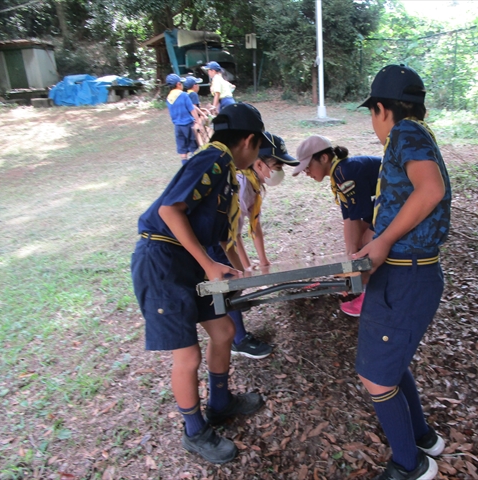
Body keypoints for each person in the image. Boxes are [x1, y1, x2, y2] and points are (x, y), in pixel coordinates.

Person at [131, 102, 269, 465]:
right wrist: (209, 264)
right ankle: (194, 432)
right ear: (249, 141)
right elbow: (168, 210)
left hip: (190, 261)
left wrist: (231, 270)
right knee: (187, 354)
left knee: (223, 331)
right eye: (259, 149)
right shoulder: (213, 159)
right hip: (162, 262)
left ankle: (221, 403)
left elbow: (213, 233)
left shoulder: (224, 169)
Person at [354, 64, 452, 480]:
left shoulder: (404, 133)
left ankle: (409, 467)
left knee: (375, 378)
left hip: (407, 275)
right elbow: (406, 199)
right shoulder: (418, 134)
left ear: (381, 109)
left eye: (371, 113)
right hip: (403, 270)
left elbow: (431, 189)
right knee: (387, 367)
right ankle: (423, 438)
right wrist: (377, 241)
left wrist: (382, 241)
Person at [292, 135, 381, 317]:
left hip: (400, 197)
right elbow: (348, 219)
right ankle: (361, 288)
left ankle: (369, 296)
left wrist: (353, 262)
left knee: (368, 241)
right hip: (383, 201)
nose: (306, 172)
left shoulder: (346, 174)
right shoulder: (339, 174)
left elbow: (356, 219)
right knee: (362, 243)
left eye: (307, 166)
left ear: (324, 158)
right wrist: (349, 258)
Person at [237, 132, 299, 271]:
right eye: (278, 167)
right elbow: (233, 235)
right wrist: (246, 269)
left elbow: (255, 225)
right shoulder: (241, 185)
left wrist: (263, 261)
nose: (280, 172)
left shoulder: (253, 185)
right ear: (259, 165)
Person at [165, 73, 201, 164]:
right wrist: (197, 122)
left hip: (178, 127)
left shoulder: (168, 98)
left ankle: (185, 170)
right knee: (194, 148)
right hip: (188, 125)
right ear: (178, 84)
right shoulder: (184, 95)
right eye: (181, 83)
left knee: (183, 151)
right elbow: (192, 110)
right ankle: (196, 167)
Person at [183, 76, 213, 146]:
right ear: (194, 86)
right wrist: (204, 114)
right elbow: (194, 107)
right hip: (196, 119)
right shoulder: (193, 94)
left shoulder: (186, 94)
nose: (198, 86)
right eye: (197, 84)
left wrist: (205, 110)